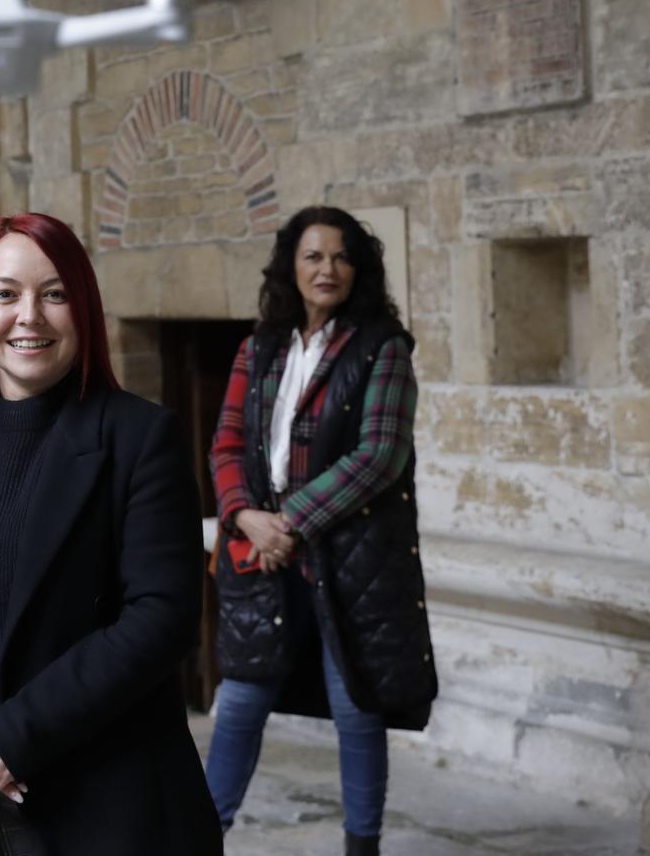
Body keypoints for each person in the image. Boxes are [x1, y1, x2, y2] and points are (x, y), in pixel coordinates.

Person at [0, 212, 223, 856]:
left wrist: (14, 737)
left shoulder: (140, 436)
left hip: (109, 797)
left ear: (85, 309)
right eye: (6, 293)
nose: (29, 316)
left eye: (55, 293)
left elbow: (162, 616)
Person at [204, 205, 437, 856]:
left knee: (355, 708)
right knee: (241, 701)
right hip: (263, 552)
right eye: (312, 255)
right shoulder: (260, 347)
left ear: (356, 267)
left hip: (350, 558)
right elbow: (225, 443)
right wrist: (246, 516)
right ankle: (199, 837)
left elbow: (380, 454)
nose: (326, 268)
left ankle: (361, 848)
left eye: (339, 256)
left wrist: (292, 522)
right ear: (292, 266)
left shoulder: (383, 346)